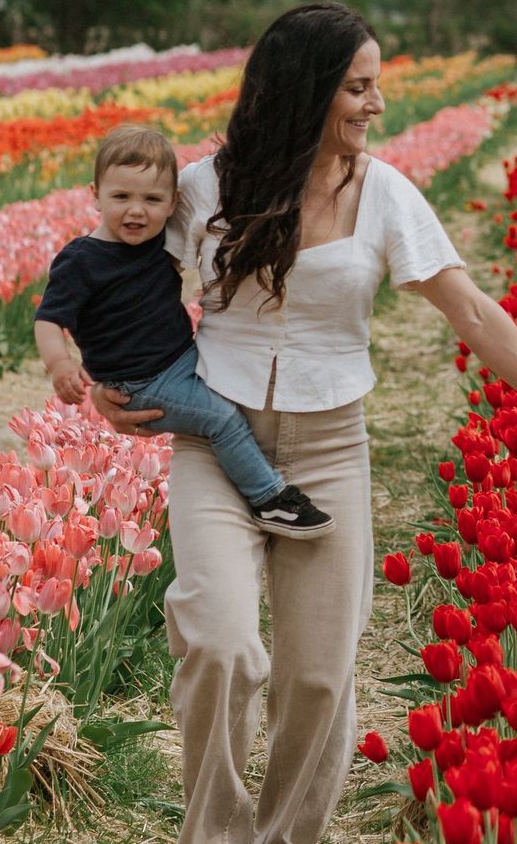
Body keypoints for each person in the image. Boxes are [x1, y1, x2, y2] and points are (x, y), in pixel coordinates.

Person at [90, 2, 517, 844]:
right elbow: (126, 275)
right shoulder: (206, 187)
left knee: (318, 673)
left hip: (330, 445)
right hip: (219, 439)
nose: (378, 103)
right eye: (359, 85)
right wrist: (106, 380)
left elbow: (471, 312)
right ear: (307, 91)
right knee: (218, 638)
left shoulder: (386, 195)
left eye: (376, 83)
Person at [35, 125, 333, 539]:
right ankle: (269, 500)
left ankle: (251, 478)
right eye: (121, 197)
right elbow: (48, 319)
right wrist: (60, 363)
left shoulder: (159, 244)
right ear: (95, 194)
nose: (136, 211)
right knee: (222, 419)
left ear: (173, 203)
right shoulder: (82, 260)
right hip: (141, 382)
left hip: (179, 358)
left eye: (152, 199)